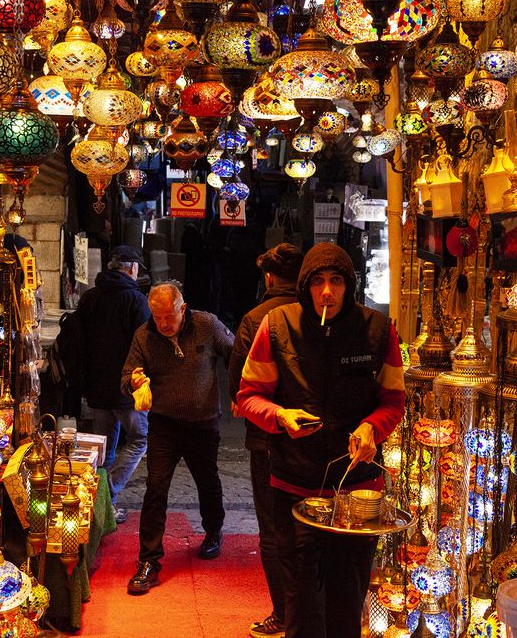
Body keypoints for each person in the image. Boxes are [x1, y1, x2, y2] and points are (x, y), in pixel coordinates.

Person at [236, 243, 405, 638]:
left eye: (336, 281)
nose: (326, 292)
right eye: (318, 282)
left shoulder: (378, 330)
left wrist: (371, 429)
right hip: (293, 486)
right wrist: (279, 416)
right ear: (305, 286)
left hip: (356, 493)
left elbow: (393, 401)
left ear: (349, 285)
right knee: (300, 600)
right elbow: (247, 396)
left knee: (348, 598)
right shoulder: (277, 325)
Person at [121, 282, 234, 595]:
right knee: (155, 488)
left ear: (183, 308)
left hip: (203, 422)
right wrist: (133, 381)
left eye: (168, 316)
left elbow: (237, 352)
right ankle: (149, 560)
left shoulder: (207, 325)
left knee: (207, 481)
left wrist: (238, 390)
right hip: (164, 425)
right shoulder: (144, 335)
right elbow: (126, 375)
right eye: (157, 317)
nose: (163, 324)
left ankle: (213, 531)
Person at [228, 243, 303, 638]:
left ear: (269, 278)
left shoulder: (257, 318)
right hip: (313, 437)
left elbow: (237, 383)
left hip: (268, 438)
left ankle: (284, 613)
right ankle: (310, 609)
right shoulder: (322, 316)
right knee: (312, 523)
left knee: (274, 528)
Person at [75, 245, 151, 524]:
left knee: (103, 448)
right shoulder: (135, 300)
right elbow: (146, 344)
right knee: (139, 440)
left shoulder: (90, 297)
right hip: (126, 387)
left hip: (96, 385)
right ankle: (105, 495)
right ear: (131, 268)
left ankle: (101, 506)